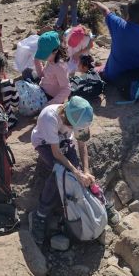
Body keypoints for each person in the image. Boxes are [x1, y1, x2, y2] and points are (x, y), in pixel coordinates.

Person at [29, 96, 119, 244]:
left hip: (64, 142)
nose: (73, 129)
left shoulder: (80, 118)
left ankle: (101, 201)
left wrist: (85, 170)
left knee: (79, 173)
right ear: (66, 118)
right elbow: (56, 153)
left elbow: (82, 146)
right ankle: (40, 215)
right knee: (58, 173)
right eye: (72, 127)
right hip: (44, 144)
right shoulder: (49, 117)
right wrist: (76, 173)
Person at [92, 0, 139, 83]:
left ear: (128, 13)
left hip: (112, 76)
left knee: (97, 68)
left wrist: (97, 3)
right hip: (132, 80)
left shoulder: (118, 24)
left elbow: (105, 11)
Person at [33, 31, 71, 106]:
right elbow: (42, 75)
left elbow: (66, 89)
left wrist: (50, 104)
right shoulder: (51, 60)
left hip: (50, 97)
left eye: (45, 54)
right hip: (43, 88)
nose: (43, 57)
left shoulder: (59, 67)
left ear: (55, 51)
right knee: (27, 73)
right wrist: (36, 61)